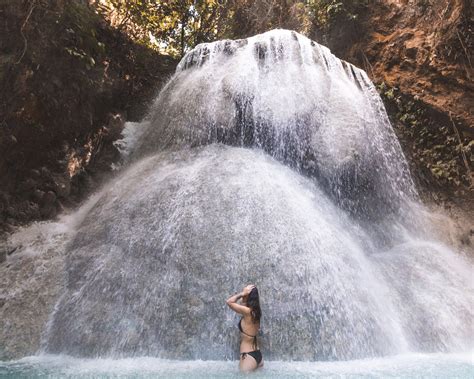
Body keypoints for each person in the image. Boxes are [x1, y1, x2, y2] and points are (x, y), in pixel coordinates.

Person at [226, 284, 263, 372]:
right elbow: (243, 304)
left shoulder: (247, 311)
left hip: (248, 357)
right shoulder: (256, 312)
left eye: (245, 295)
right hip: (258, 355)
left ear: (248, 297)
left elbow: (229, 302)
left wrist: (242, 293)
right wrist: (245, 294)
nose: (243, 296)